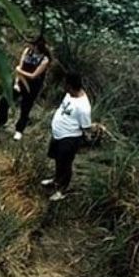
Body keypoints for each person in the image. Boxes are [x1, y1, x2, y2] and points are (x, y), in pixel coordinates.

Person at [41, 73, 91, 202]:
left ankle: (62, 190)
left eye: (66, 85)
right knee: (58, 160)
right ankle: (56, 180)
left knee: (65, 164)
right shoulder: (69, 94)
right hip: (58, 134)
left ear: (70, 86)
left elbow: (86, 127)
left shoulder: (83, 107)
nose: (64, 87)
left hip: (69, 138)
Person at [0, 37, 52, 141]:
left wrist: (19, 71)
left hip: (32, 86)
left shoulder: (45, 59)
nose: (30, 46)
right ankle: (1, 122)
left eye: (32, 44)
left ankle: (19, 130)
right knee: (4, 100)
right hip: (20, 82)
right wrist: (17, 82)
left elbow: (33, 75)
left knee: (25, 108)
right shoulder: (27, 51)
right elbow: (21, 65)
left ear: (37, 46)